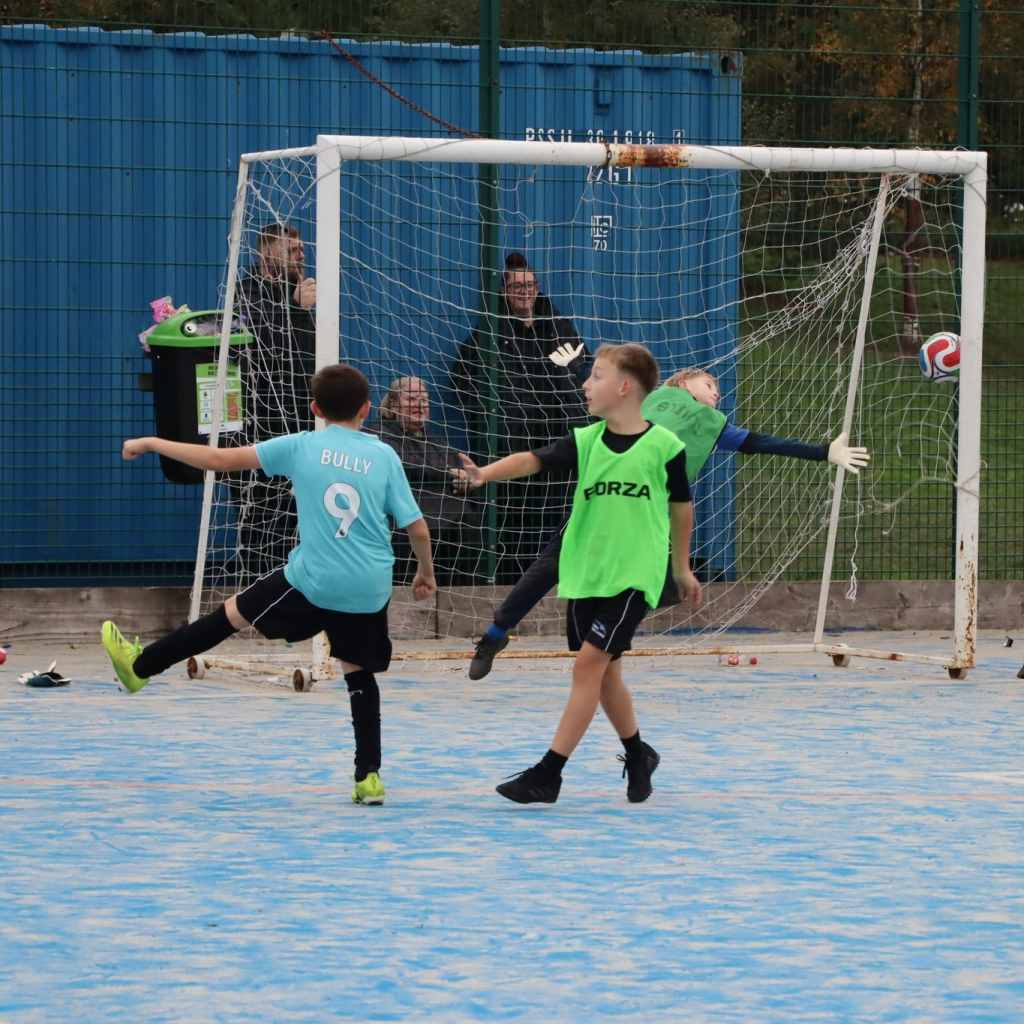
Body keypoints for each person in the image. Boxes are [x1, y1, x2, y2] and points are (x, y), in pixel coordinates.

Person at [101, 365, 436, 807]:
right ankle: (368, 777)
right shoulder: (385, 456)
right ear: (367, 409)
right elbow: (418, 529)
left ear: (315, 409)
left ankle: (140, 668)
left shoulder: (302, 445)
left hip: (313, 581)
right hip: (370, 586)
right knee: (359, 672)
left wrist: (150, 442)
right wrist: (425, 572)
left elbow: (220, 460)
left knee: (230, 616)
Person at [467, 364, 871, 680]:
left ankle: (606, 626)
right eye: (709, 383)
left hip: (645, 525)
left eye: (718, 389)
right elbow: (605, 387)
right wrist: (576, 369)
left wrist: (823, 453)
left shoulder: (714, 427)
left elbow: (761, 443)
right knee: (545, 569)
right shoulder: (651, 398)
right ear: (683, 384)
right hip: (601, 507)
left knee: (669, 587)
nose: (717, 391)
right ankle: (493, 637)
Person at [459, 343, 702, 804]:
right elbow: (533, 459)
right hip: (587, 573)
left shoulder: (665, 446)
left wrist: (681, 567)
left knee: (587, 667)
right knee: (607, 675)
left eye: (596, 375)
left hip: (634, 577)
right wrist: (485, 474)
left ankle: (548, 773)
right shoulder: (586, 441)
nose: (586, 384)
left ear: (624, 387)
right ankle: (638, 754)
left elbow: (681, 507)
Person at [450, 252, 590, 581]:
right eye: (517, 287)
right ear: (504, 292)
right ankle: (508, 578)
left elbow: (583, 375)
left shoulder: (560, 328)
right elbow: (463, 380)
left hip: (557, 445)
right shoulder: (489, 334)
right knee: (510, 520)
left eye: (530, 285)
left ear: (538, 289)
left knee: (556, 517)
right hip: (510, 445)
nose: (525, 292)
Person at [232, 223, 318, 578]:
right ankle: (256, 599)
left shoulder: (294, 293)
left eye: (301, 249)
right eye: (291, 250)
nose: (301, 255)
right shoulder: (245, 293)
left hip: (302, 424)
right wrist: (297, 310)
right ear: (266, 253)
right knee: (261, 520)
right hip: (259, 427)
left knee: (299, 519)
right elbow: (259, 352)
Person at [369, 376, 479, 585]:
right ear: (393, 403)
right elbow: (402, 462)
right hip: (402, 528)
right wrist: (448, 473)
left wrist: (465, 479)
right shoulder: (376, 433)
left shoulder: (440, 444)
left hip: (448, 530)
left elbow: (463, 471)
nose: (420, 405)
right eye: (411, 399)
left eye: (425, 400)